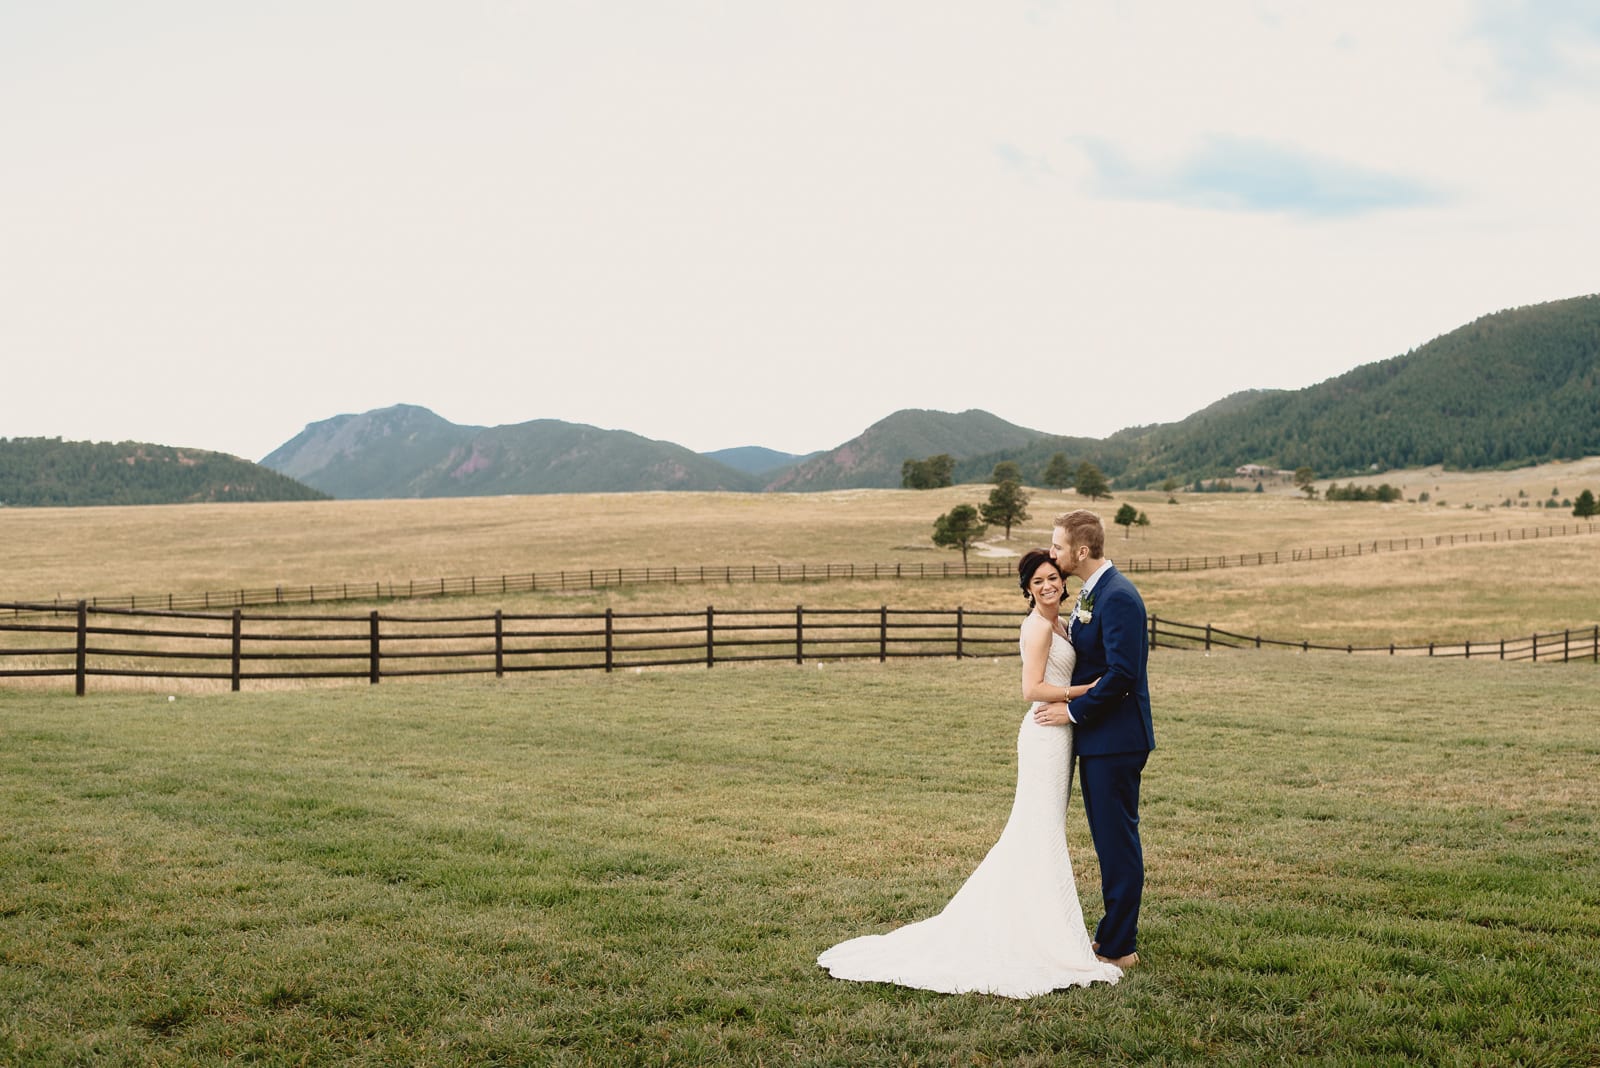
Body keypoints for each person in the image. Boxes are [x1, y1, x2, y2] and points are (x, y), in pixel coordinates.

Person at [816, 549, 1123, 997]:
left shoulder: (1063, 622)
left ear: (1063, 579)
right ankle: (1036, 932)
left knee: (1040, 828)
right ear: (1027, 590)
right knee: (1037, 829)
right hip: (1044, 735)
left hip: (1061, 735)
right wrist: (1086, 691)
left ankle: (1033, 919)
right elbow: (1031, 689)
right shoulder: (1038, 626)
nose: (1047, 586)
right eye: (1037, 582)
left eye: (1052, 578)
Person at [1038, 509, 1155, 970]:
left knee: (1116, 841)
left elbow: (1123, 674)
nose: (1053, 552)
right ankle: (1112, 937)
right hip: (1102, 739)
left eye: (1058, 546)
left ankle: (1119, 947)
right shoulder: (1093, 593)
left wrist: (1070, 710)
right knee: (1109, 839)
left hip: (1117, 739)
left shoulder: (1119, 597)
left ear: (1081, 551)